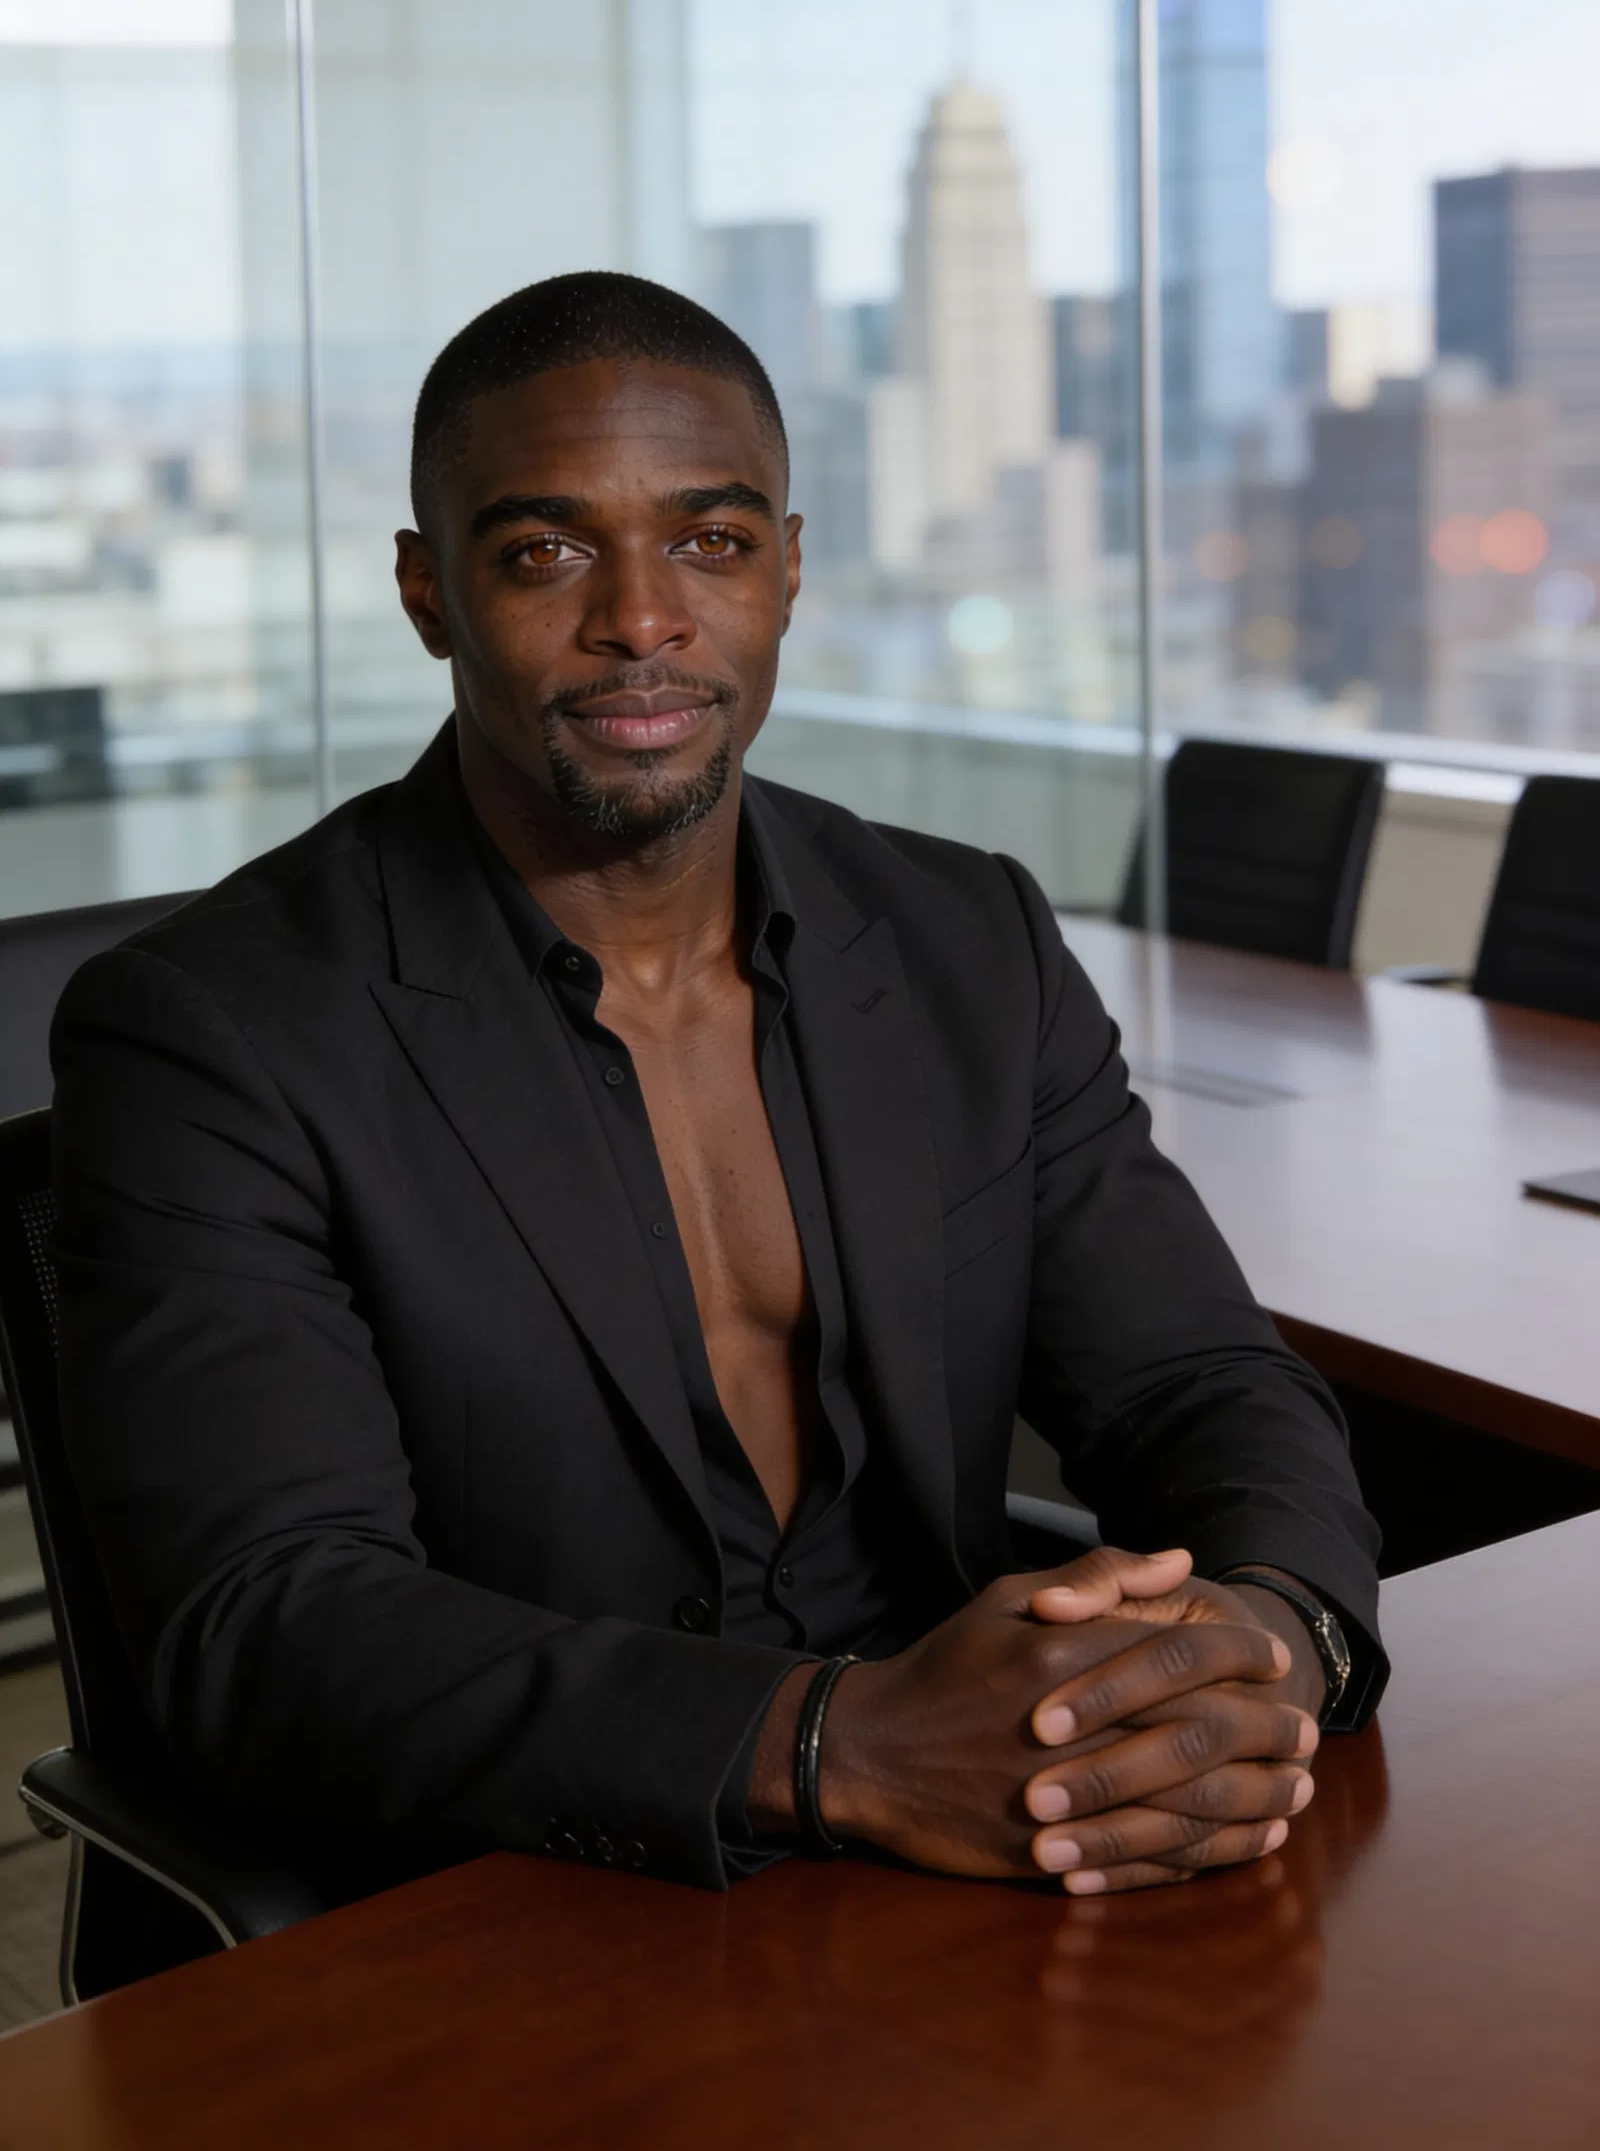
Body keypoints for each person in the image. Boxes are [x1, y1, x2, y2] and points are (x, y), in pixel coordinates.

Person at [52, 272, 1383, 1906]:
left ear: (790, 570)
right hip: (520, 1891)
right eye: (545, 551)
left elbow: (1199, 1381)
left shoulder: (972, 940)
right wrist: (839, 1744)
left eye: (712, 541)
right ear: (426, 593)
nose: (643, 617)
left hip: (969, 1862)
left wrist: (1271, 1630)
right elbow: (267, 1621)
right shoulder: (214, 1029)